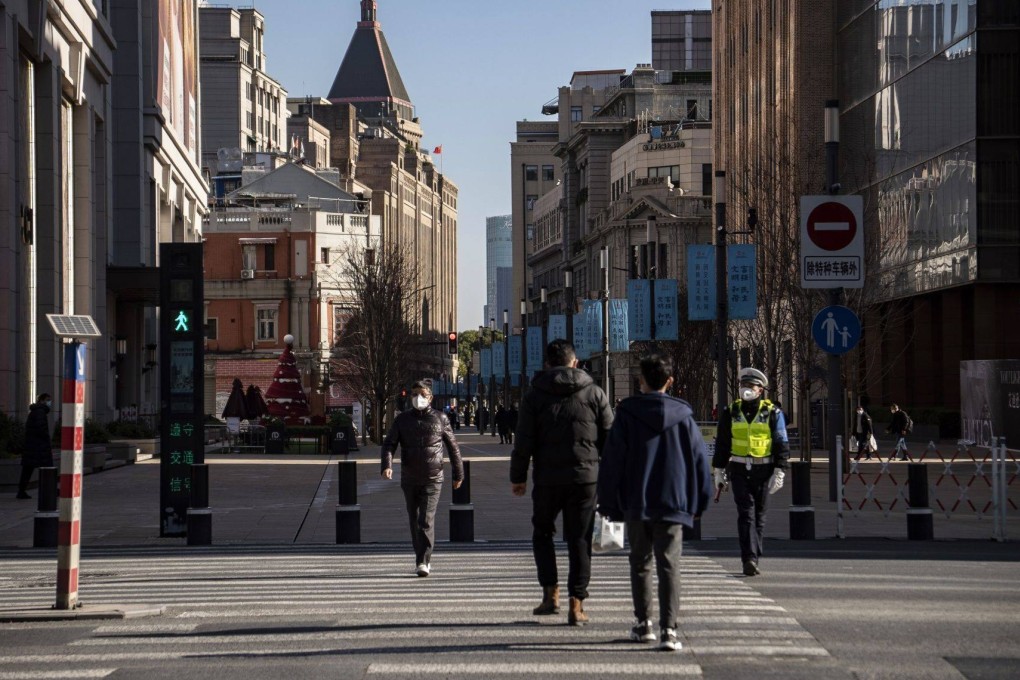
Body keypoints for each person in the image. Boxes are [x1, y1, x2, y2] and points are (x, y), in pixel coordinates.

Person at [597, 354, 712, 651]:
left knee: (640, 562)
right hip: (674, 501)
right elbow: (700, 461)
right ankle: (669, 630)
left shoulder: (626, 414)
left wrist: (608, 503)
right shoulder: (684, 416)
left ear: (641, 381)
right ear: (670, 381)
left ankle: (643, 623)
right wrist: (700, 501)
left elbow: (612, 461)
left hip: (636, 500)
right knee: (670, 565)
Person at [510, 339, 614, 625]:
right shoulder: (595, 393)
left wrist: (518, 477)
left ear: (546, 365)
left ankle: (550, 595)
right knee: (580, 539)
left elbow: (523, 440)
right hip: (585, 479)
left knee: (542, 533)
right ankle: (576, 603)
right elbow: (610, 439)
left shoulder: (534, 396)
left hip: (547, 478)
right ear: (575, 362)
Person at [712, 368, 790, 577]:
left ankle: (755, 554)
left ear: (761, 389)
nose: (746, 389)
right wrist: (718, 470)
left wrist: (780, 470)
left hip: (764, 470)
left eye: (751, 386)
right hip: (738, 469)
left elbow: (782, 442)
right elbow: (722, 443)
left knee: (760, 516)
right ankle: (749, 559)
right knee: (745, 514)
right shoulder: (731, 411)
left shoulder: (772, 413)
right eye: (743, 385)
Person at [381, 381, 464, 577]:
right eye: (415, 393)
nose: (418, 397)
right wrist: (387, 465)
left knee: (425, 519)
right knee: (413, 518)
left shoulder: (440, 419)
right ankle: (421, 555)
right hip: (409, 478)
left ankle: (423, 561)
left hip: (433, 478)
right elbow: (389, 444)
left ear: (430, 397)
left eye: (422, 394)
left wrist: (458, 473)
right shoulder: (402, 420)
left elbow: (453, 447)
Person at [18, 393, 54, 499]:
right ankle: (50, 489)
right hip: (38, 446)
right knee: (47, 468)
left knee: (28, 469)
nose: (49, 402)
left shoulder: (36, 411)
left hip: (33, 445)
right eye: (48, 400)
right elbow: (41, 428)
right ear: (42, 400)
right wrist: (46, 439)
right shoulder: (40, 412)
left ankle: (21, 490)